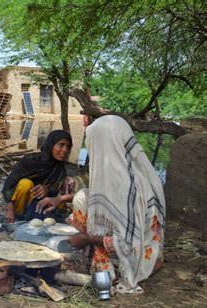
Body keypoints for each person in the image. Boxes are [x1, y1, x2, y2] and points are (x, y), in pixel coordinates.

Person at [37, 115, 165, 293]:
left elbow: (129, 244)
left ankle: (92, 249)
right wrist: (61, 200)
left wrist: (87, 239)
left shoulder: (135, 189)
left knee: (98, 243)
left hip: (137, 251)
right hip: (119, 236)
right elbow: (98, 201)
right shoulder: (118, 172)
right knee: (82, 196)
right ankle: (91, 247)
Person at [2, 130, 73, 223]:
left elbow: (57, 192)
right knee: (25, 184)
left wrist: (47, 189)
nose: (65, 150)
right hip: (23, 202)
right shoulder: (30, 160)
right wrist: (9, 209)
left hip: (43, 203)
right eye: (61, 145)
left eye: (68, 146)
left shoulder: (61, 167)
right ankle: (18, 216)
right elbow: (9, 185)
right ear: (51, 145)